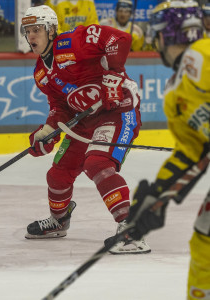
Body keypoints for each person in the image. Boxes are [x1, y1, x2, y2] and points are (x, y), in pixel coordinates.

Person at [21, 5, 151, 254]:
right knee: (57, 175)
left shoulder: (72, 42)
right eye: (28, 31)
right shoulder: (40, 73)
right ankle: (59, 221)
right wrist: (48, 130)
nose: (31, 37)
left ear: (51, 30)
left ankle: (132, 231)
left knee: (98, 163)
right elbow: (60, 106)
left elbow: (119, 38)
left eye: (37, 30)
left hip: (117, 111)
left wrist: (113, 76)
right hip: (85, 123)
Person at [125, 0, 210, 298]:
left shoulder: (201, 56)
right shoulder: (176, 89)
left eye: (157, 33)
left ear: (167, 35)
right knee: (204, 235)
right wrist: (157, 195)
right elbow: (192, 151)